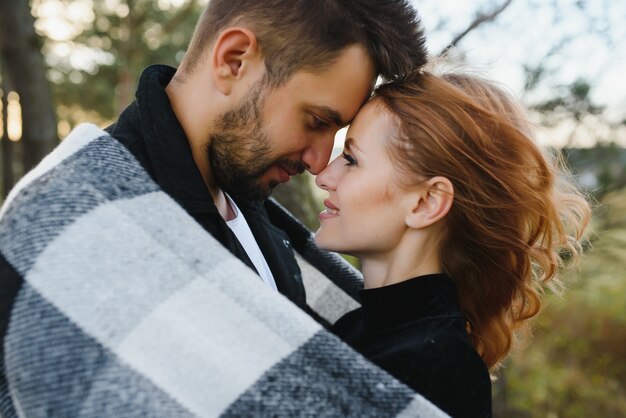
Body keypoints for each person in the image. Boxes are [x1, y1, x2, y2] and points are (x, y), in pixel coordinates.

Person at [0, 1, 444, 416]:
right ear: (233, 60)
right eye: (316, 121)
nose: (318, 160)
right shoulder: (77, 220)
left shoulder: (256, 210)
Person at [315, 70, 591, 417]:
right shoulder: (360, 328)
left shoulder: (433, 370)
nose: (324, 176)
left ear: (427, 203)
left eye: (352, 160)